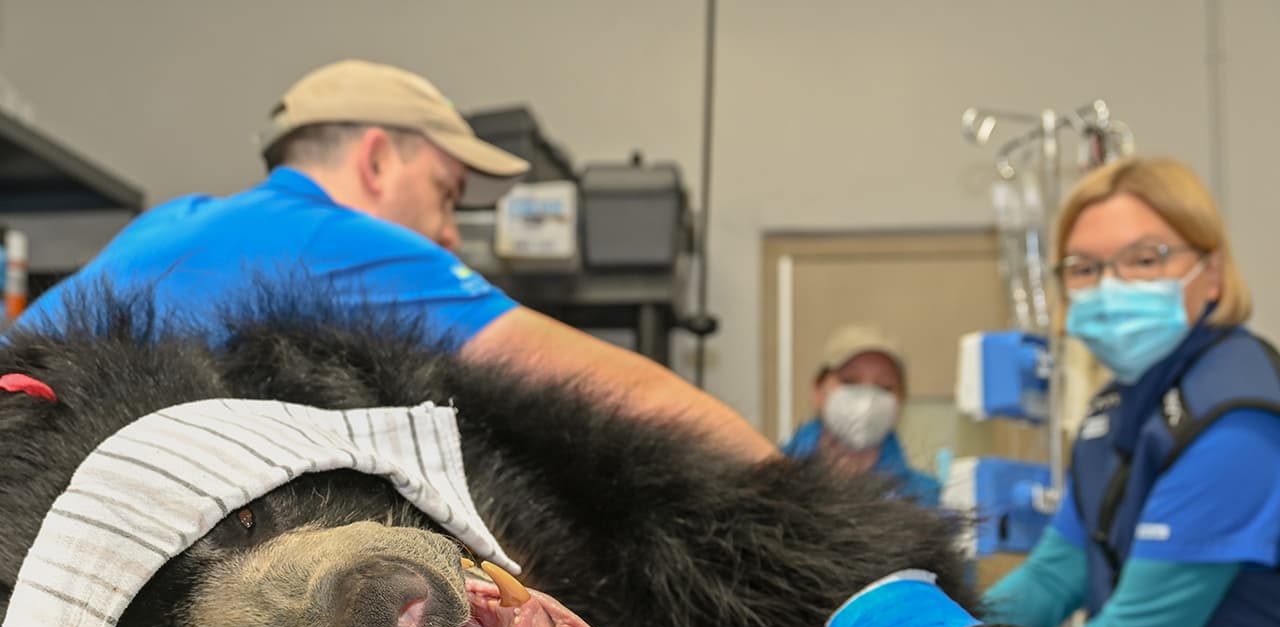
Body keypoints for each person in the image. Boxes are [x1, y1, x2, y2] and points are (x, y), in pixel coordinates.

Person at [10, 59, 775, 461]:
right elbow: (615, 388)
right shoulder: (336, 241)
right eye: (446, 193)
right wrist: (789, 488)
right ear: (376, 161)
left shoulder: (175, 219)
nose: (449, 232)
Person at [982, 156, 1280, 627]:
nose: (1110, 286)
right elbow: (1052, 575)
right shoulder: (1114, 413)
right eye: (1085, 268)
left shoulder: (1235, 418)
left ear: (1212, 273)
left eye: (1145, 259)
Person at [781, 325, 940, 506]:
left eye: (884, 387)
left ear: (900, 403)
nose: (867, 400)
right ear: (817, 391)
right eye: (850, 381)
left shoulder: (924, 497)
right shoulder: (774, 473)